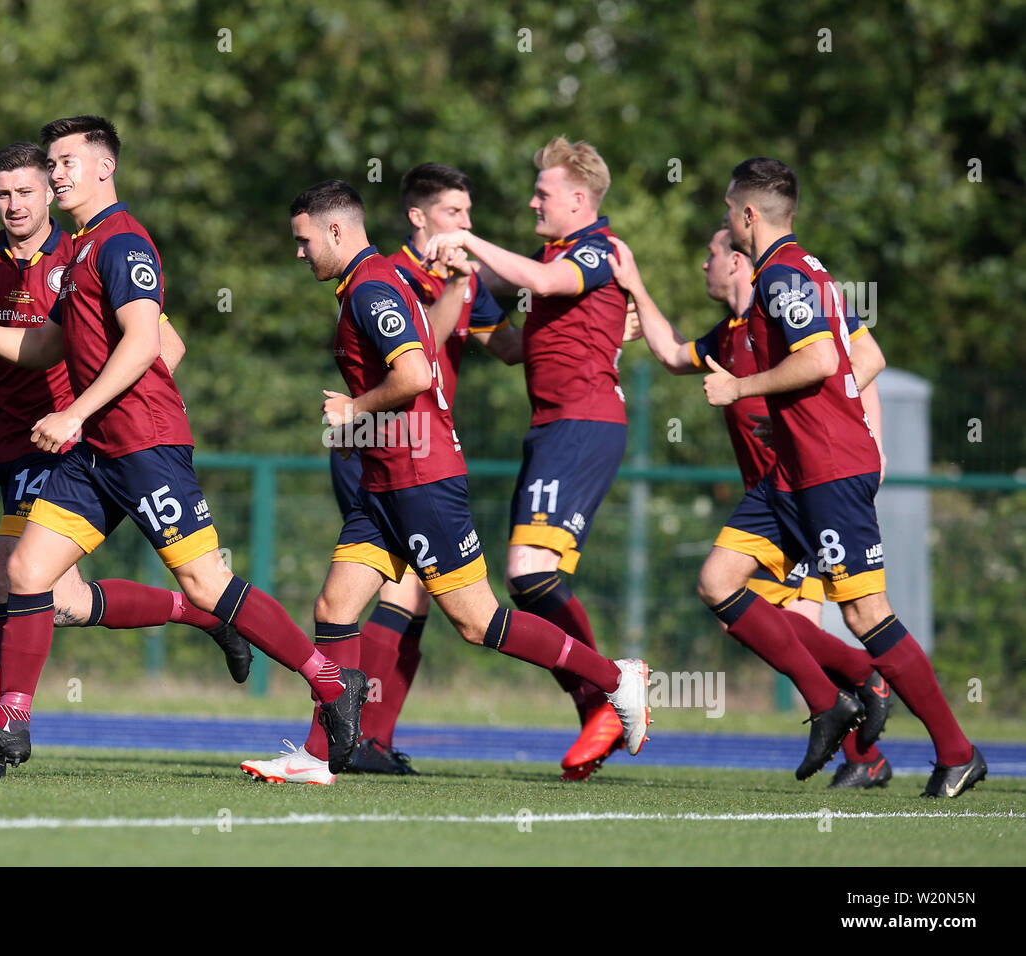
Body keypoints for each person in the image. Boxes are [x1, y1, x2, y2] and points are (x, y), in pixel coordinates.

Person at [0, 117, 367, 774]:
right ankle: (9, 726)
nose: (55, 174)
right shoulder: (79, 249)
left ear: (105, 167)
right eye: (50, 163)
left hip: (144, 444)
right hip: (95, 455)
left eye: (66, 162)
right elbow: (45, 346)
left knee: (204, 581)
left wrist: (74, 411)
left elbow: (143, 343)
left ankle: (332, 682)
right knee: (24, 573)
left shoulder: (124, 243)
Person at [239, 180, 650, 786]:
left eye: (303, 241)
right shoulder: (367, 282)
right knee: (334, 606)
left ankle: (617, 680)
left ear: (334, 230)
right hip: (384, 482)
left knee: (477, 621)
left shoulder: (373, 286)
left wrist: (355, 411)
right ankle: (319, 754)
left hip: (419, 479)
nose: (299, 254)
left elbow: (413, 373)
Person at [0, 142, 250, 776]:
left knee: (8, 576)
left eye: (25, 192)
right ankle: (204, 615)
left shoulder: (84, 250)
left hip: (70, 446)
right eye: (2, 194)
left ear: (50, 190)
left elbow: (164, 348)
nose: (14, 205)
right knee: (59, 598)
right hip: (14, 448)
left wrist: (94, 415)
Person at [691, 157, 981, 795]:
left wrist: (741, 385)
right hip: (792, 475)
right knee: (719, 582)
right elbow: (854, 353)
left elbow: (822, 359)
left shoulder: (784, 275)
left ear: (747, 215)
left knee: (865, 614)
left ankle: (957, 751)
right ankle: (829, 704)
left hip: (828, 471)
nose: (723, 224)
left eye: (725, 212)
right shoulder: (802, 269)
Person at [611, 225, 896, 788]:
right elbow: (670, 353)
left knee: (794, 621)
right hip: (770, 503)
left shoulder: (793, 303)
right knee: (751, 614)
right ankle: (868, 729)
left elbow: (861, 360)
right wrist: (637, 288)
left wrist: (865, 439)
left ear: (739, 262)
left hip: (807, 491)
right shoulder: (732, 335)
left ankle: (875, 708)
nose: (704, 265)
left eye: (712, 253)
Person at [420, 137, 633, 779]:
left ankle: (612, 692)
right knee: (528, 580)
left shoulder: (595, 247)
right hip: (552, 427)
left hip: (583, 424)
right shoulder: (554, 255)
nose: (533, 200)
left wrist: (468, 245)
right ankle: (600, 704)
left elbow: (540, 282)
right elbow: (516, 348)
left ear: (578, 198)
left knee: (528, 574)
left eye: (543, 192)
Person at [335, 162, 522, 775]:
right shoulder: (394, 276)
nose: (465, 225)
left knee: (409, 602)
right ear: (418, 218)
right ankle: (356, 738)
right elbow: (426, 354)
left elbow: (512, 349)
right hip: (377, 448)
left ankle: (367, 741)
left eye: (468, 215)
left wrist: (598, 328)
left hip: (418, 454)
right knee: (398, 597)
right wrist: (461, 287)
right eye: (452, 214)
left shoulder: (464, 280)